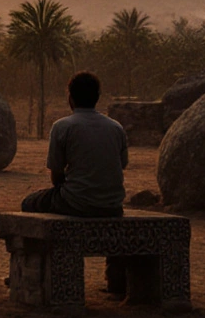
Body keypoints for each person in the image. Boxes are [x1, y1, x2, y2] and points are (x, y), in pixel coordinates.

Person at [20, 71, 129, 293]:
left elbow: (56, 175)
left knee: (30, 203)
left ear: (70, 97)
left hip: (77, 202)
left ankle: (30, 274)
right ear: (98, 96)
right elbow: (121, 165)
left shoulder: (63, 126)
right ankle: (115, 279)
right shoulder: (115, 127)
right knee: (117, 226)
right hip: (112, 204)